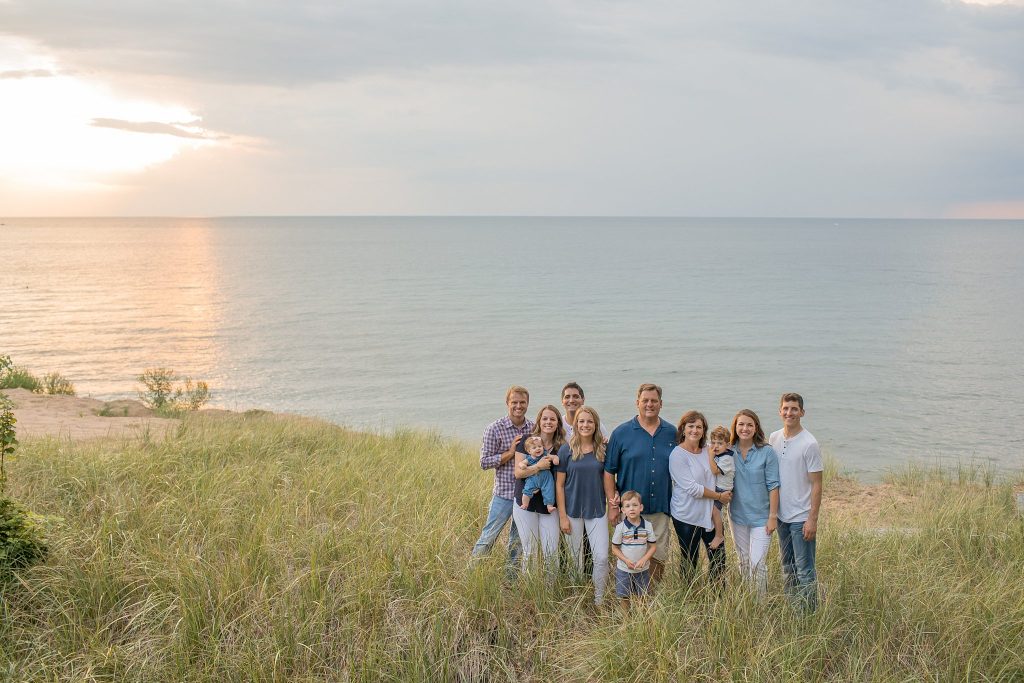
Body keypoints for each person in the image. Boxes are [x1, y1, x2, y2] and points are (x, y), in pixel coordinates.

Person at [604, 383, 677, 585]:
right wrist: (612, 506)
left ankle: (649, 599)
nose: (649, 404)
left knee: (658, 555)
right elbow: (609, 472)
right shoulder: (621, 433)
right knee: (628, 557)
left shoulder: (672, 433)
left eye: (654, 401)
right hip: (629, 510)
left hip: (661, 508)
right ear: (637, 403)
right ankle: (628, 599)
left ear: (661, 404)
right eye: (645, 400)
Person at [769, 392, 823, 610]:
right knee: (787, 568)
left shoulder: (809, 443)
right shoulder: (774, 438)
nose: (789, 412)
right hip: (781, 515)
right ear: (780, 411)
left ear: (802, 412)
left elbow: (817, 484)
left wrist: (812, 519)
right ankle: (794, 611)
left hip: (801, 517)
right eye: (785, 408)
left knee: (805, 570)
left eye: (794, 409)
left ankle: (809, 617)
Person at [471, 386, 534, 567]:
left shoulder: (532, 428)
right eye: (514, 402)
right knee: (488, 537)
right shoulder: (494, 429)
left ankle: (510, 581)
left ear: (527, 404)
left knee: (517, 542)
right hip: (503, 494)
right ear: (507, 403)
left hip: (524, 495)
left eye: (522, 402)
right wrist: (511, 452)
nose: (518, 406)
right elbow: (484, 462)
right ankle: (474, 572)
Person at [556, 406, 610, 605]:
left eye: (589, 421)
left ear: (595, 425)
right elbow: (559, 485)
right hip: (572, 511)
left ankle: (599, 600)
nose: (585, 425)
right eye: (581, 421)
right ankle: (576, 599)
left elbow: (610, 479)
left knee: (601, 557)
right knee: (574, 559)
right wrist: (562, 516)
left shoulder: (604, 449)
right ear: (575, 424)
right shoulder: (566, 450)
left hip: (597, 510)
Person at [668, 410, 729, 583]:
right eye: (691, 426)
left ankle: (718, 599)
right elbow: (693, 488)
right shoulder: (677, 455)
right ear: (683, 429)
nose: (695, 430)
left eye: (699, 427)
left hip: (710, 514)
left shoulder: (708, 450)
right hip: (687, 516)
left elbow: (728, 451)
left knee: (719, 559)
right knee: (689, 560)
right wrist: (718, 496)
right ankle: (688, 598)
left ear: (704, 430)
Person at [729, 409, 780, 593]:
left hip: (762, 518)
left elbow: (774, 486)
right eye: (741, 424)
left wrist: (773, 516)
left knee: (758, 564)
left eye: (749, 424)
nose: (745, 428)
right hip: (737, 517)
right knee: (743, 562)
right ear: (735, 427)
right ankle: (747, 604)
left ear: (756, 427)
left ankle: (760, 608)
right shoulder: (728, 451)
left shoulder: (767, 452)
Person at [513, 404, 567, 573]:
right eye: (545, 418)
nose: (548, 422)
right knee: (529, 550)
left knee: (551, 551)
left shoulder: (562, 448)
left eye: (552, 419)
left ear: (558, 423)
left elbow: (562, 481)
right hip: (525, 504)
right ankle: (530, 591)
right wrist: (539, 467)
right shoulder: (527, 441)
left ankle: (549, 592)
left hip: (550, 507)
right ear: (539, 421)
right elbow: (518, 473)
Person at [610, 490, 658, 608]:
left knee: (642, 597)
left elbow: (653, 546)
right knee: (624, 597)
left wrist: (644, 559)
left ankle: (642, 622)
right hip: (624, 569)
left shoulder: (647, 526)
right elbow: (614, 548)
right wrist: (626, 560)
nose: (631, 509)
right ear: (623, 510)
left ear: (641, 507)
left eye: (635, 505)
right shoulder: (620, 527)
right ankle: (626, 622)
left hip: (642, 570)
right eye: (627, 506)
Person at [708, 425, 736, 550]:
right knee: (712, 510)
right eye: (713, 443)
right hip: (718, 487)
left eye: (720, 443)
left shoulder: (727, 459)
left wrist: (710, 456)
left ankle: (719, 535)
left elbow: (714, 470)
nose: (715, 446)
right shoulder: (720, 455)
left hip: (723, 489)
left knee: (715, 510)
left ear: (728, 445)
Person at [521, 435, 558, 512]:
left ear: (543, 447)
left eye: (539, 446)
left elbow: (553, 456)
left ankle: (549, 506)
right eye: (534, 448)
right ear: (529, 451)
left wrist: (555, 459)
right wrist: (523, 465)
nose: (538, 449)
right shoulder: (529, 458)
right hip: (533, 478)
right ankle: (525, 504)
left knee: (549, 490)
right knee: (527, 490)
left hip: (546, 479)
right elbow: (521, 463)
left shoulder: (545, 454)